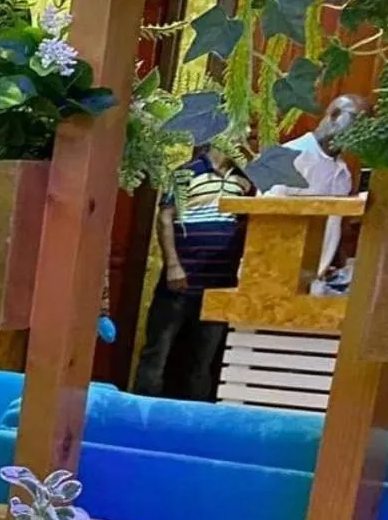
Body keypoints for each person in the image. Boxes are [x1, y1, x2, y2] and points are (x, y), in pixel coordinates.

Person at [133, 145, 254, 402]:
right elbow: (165, 218)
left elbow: (245, 221)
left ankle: (193, 418)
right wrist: (173, 265)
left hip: (219, 284)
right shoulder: (186, 172)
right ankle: (140, 413)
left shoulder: (243, 179)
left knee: (204, 359)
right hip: (182, 280)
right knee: (158, 352)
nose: (247, 138)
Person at [257, 92, 371, 285]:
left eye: (367, 127)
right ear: (334, 115)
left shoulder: (342, 172)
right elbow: (267, 217)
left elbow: (332, 228)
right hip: (273, 277)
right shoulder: (287, 156)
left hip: (313, 281)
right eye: (357, 121)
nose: (362, 132)